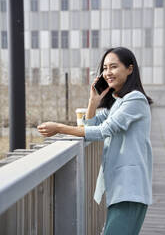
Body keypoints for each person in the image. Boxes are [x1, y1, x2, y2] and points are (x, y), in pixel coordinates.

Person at [37, 47, 153, 235]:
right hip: (122, 188)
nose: (108, 73)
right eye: (105, 68)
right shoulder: (118, 103)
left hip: (131, 188)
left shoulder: (135, 100)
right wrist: (93, 100)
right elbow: (89, 124)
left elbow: (102, 131)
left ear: (130, 69)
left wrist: (58, 127)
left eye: (113, 67)